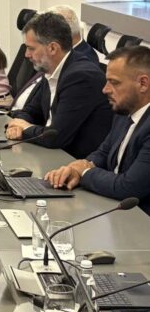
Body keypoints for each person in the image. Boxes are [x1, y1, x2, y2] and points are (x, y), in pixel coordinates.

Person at [45, 46, 150, 215]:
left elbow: (129, 187)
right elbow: (103, 153)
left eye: (114, 82)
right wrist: (76, 169)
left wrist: (85, 172)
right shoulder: (124, 113)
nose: (105, 89)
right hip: (115, 211)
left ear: (143, 83)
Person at [5, 12, 112, 158]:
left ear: (53, 48)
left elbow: (56, 136)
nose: (26, 54)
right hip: (49, 152)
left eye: (31, 48)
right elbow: (31, 111)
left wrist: (24, 129)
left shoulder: (81, 77)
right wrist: (18, 124)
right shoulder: (51, 68)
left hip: (72, 161)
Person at [10, 4, 99, 113]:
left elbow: (57, 119)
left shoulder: (81, 68)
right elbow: (34, 109)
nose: (27, 54)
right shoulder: (50, 59)